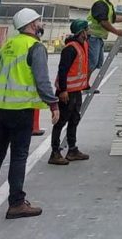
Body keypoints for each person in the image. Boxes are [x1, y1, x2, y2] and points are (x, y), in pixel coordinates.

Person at [0, 8, 60, 219]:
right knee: (18, 157)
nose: (41, 24)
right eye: (39, 21)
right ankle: (16, 203)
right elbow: (42, 81)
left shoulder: (8, 45)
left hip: (1, 108)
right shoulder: (34, 47)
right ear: (32, 25)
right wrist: (53, 104)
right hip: (20, 110)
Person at [48, 20, 90, 166]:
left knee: (74, 120)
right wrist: (63, 90)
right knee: (61, 122)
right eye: (87, 29)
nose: (89, 31)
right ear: (82, 32)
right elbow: (62, 70)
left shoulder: (82, 45)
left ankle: (72, 150)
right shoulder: (70, 49)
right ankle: (55, 152)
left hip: (76, 91)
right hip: (67, 92)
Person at [86, 0, 122, 86]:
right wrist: (117, 32)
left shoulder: (107, 4)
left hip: (98, 38)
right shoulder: (100, 3)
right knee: (91, 63)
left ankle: (85, 84)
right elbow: (104, 22)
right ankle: (84, 84)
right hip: (92, 36)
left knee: (97, 63)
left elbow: (113, 18)